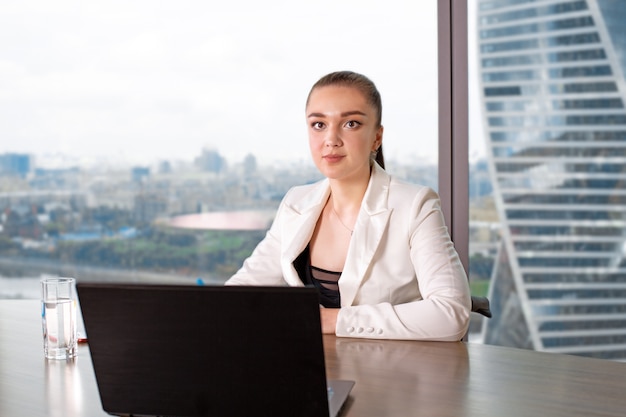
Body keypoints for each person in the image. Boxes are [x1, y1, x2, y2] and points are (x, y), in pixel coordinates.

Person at [226, 70, 471, 341]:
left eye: (351, 123)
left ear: (376, 138)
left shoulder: (415, 205)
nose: (331, 139)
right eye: (319, 125)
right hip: (311, 370)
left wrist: (332, 320)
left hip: (392, 374)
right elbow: (242, 292)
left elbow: (452, 313)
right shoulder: (296, 202)